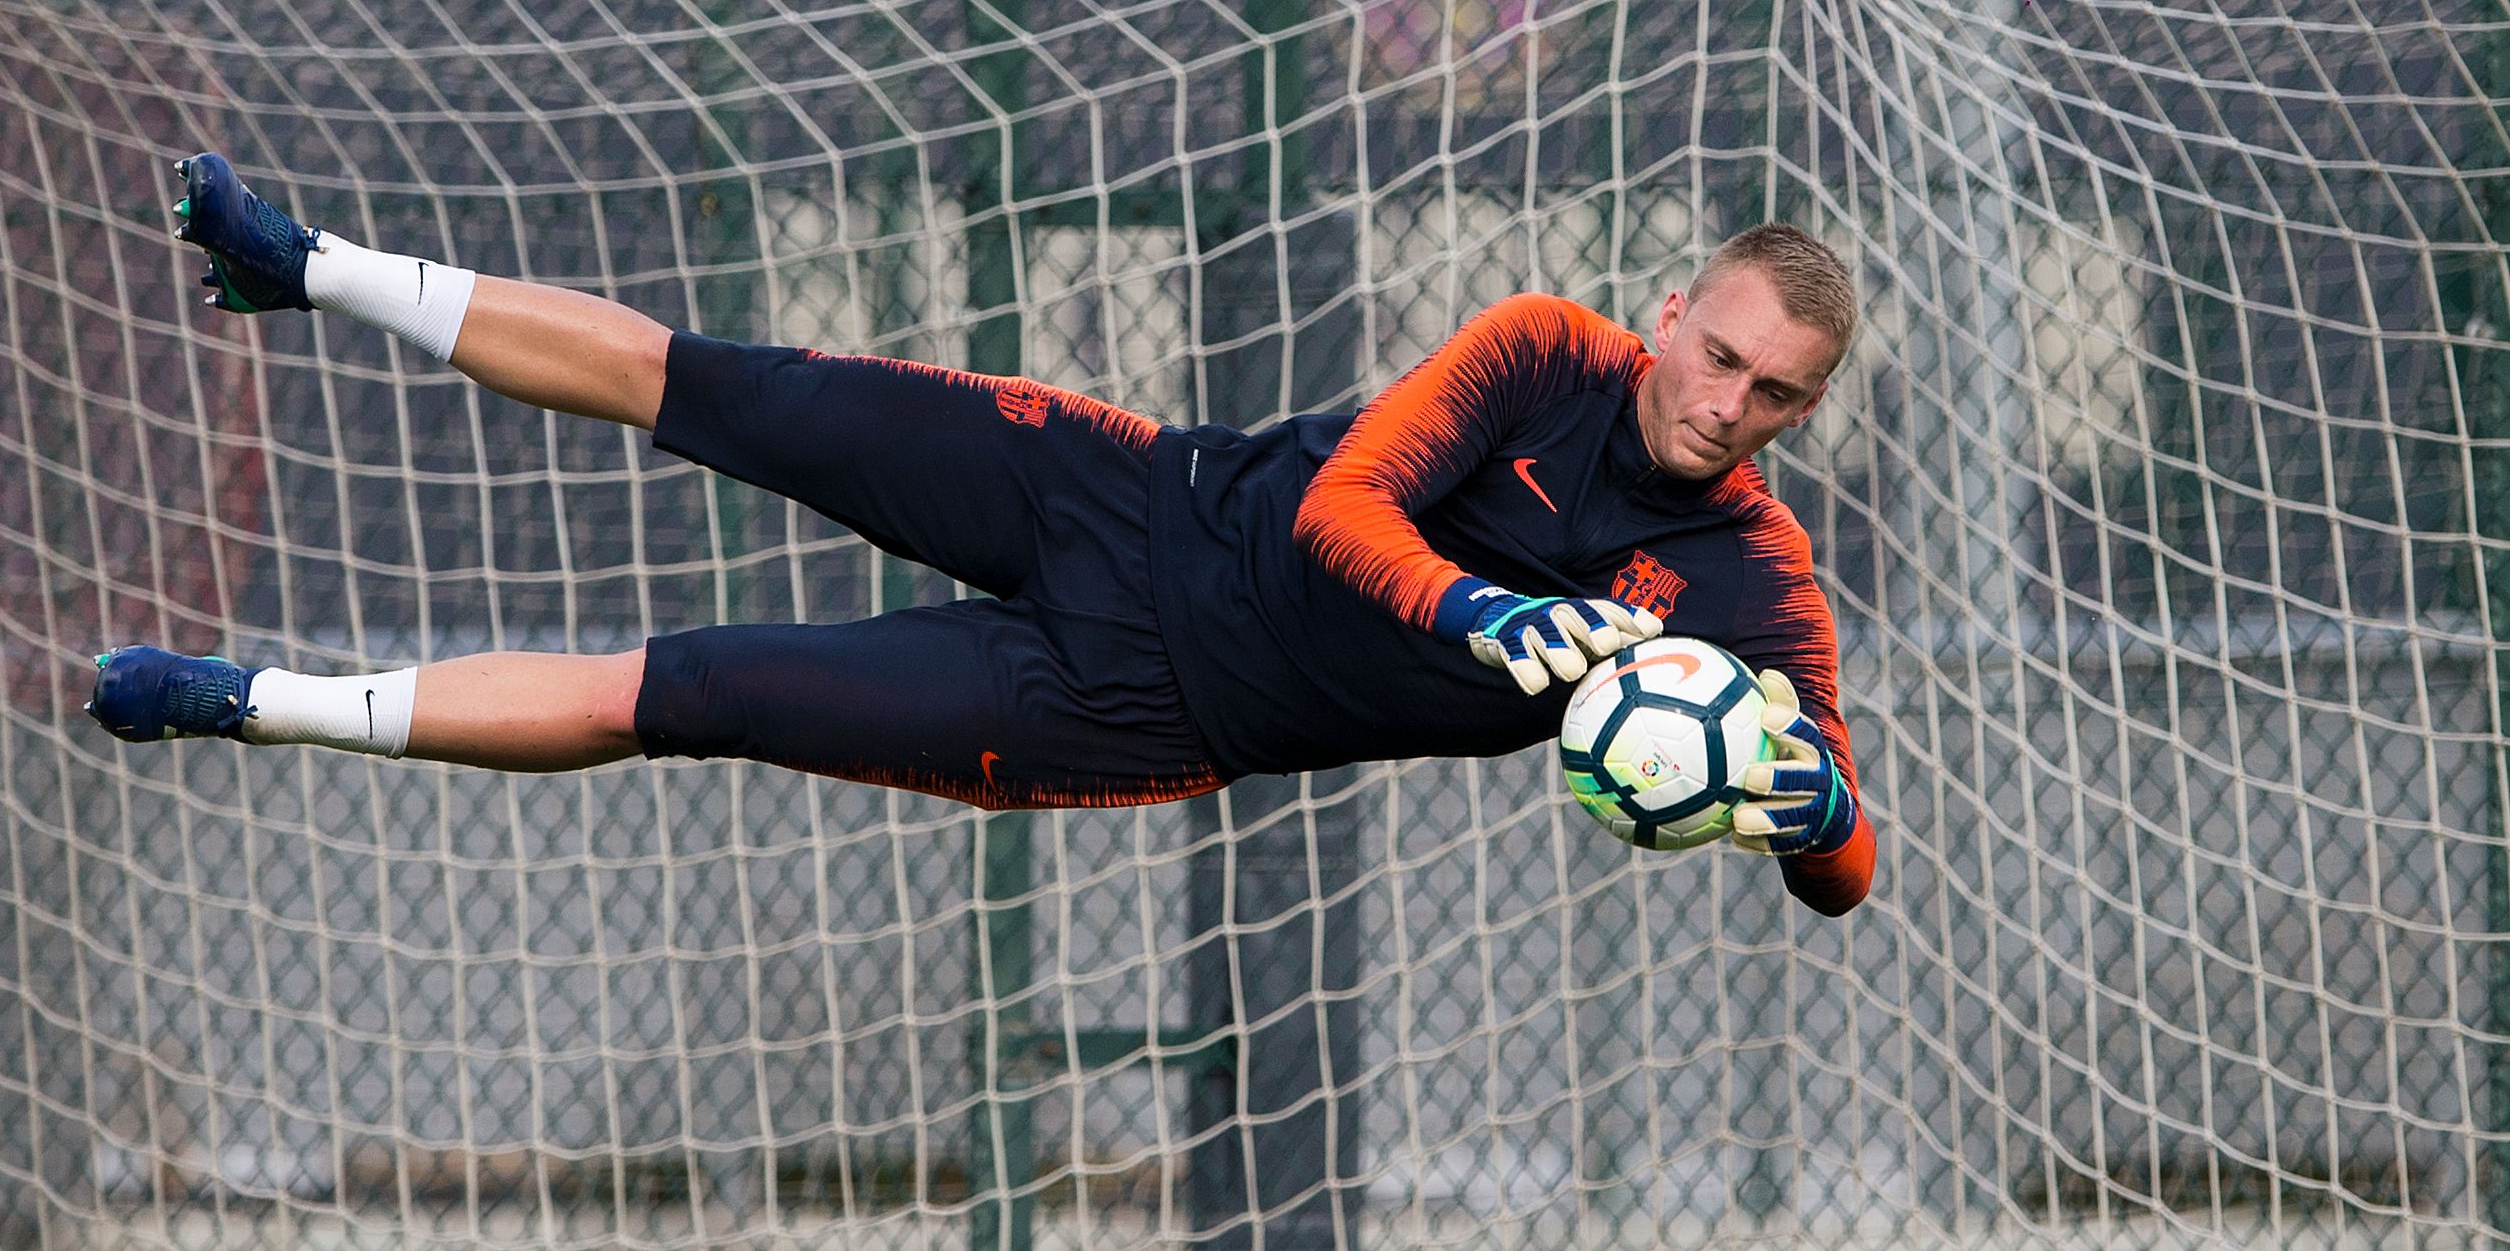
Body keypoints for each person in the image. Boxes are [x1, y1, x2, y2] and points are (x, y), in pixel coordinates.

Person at [90, 154, 1876, 916]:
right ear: (1666, 313)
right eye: (1716, 353)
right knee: (718, 384)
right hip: (1121, 488)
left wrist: (1810, 817)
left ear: (1798, 413)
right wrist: (1485, 616)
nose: (1727, 400)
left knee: (687, 689)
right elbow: (1346, 504)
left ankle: (243, 701)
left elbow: (1847, 860)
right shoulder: (1544, 347)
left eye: (1772, 393)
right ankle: (302, 265)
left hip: (1130, 702)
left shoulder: (1751, 581)